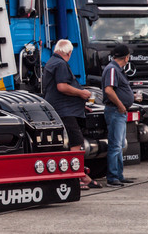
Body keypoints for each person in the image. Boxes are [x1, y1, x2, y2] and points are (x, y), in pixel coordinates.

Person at [43, 39, 101, 190]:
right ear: (68, 53)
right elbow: (62, 87)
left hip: (63, 109)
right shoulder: (61, 64)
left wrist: (80, 105)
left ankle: (81, 175)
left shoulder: (51, 62)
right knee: (76, 143)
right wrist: (82, 93)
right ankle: (78, 177)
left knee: (70, 143)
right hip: (65, 111)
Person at [102, 44, 135, 187]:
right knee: (115, 145)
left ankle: (119, 175)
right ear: (126, 57)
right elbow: (109, 90)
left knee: (119, 145)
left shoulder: (117, 70)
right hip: (116, 111)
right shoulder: (112, 69)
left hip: (119, 111)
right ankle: (113, 177)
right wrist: (121, 105)